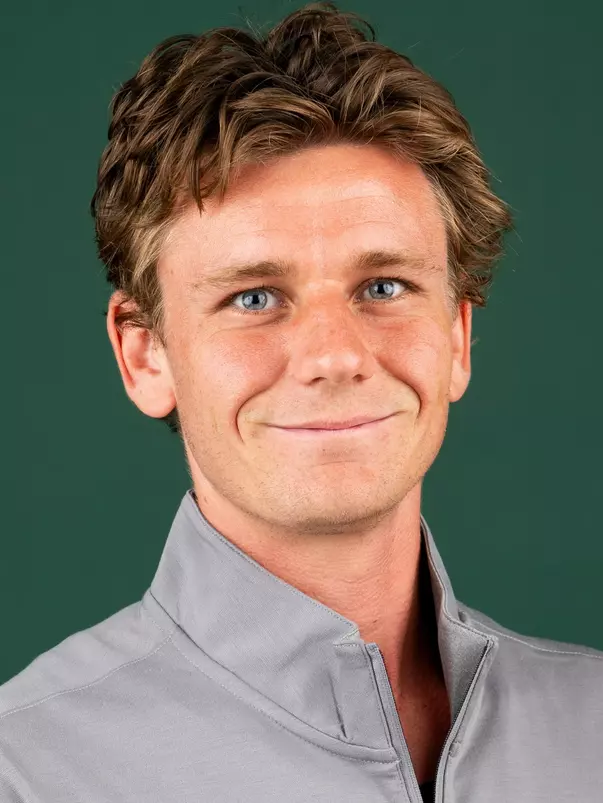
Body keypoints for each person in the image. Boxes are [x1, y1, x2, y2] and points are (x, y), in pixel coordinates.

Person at [1, 3, 602, 801]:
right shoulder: (27, 767)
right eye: (254, 297)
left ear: (457, 337)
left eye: (383, 286)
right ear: (145, 353)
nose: (335, 356)